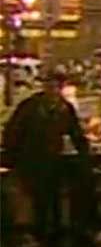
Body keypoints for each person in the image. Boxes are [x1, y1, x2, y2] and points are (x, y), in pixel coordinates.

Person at [2, 72, 88, 233]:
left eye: (56, 87)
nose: (52, 90)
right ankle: (36, 232)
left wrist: (84, 154)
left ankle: (54, 232)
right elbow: (12, 132)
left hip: (53, 161)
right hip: (30, 160)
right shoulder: (30, 106)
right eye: (49, 86)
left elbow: (76, 133)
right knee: (35, 200)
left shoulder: (64, 108)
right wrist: (11, 157)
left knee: (53, 198)